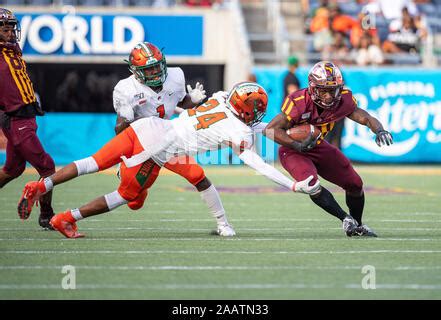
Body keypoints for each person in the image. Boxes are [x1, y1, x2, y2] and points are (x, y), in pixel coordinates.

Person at [18, 82, 320, 239]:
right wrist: (292, 186)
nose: (258, 113)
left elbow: (247, 123)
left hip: (146, 127)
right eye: (255, 108)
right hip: (157, 151)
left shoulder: (220, 96)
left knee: (91, 162)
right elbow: (259, 164)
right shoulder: (239, 129)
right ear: (244, 109)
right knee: (127, 196)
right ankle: (65, 218)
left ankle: (42, 183)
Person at [112, 41, 235, 236]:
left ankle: (223, 224)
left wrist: (191, 101)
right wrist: (125, 115)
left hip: (168, 139)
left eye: (156, 67)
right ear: (136, 71)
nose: (155, 73)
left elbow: (178, 103)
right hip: (142, 145)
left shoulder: (175, 76)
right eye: (149, 69)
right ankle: (128, 176)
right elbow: (120, 131)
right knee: (134, 201)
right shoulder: (125, 89)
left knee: (197, 176)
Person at [263, 61, 393, 237]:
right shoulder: (299, 102)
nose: (328, 96)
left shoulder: (343, 100)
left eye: (332, 90)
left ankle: (357, 225)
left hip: (318, 146)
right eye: (323, 90)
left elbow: (365, 117)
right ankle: (345, 219)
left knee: (355, 184)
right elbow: (269, 130)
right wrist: (296, 144)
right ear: (313, 88)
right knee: (311, 183)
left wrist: (379, 129)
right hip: (293, 149)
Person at [0, 8, 56, 229]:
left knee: (13, 169)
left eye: (12, 28)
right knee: (48, 167)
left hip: (24, 116)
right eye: (6, 29)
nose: (12, 33)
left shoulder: (12, 49)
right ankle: (46, 214)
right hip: (17, 119)